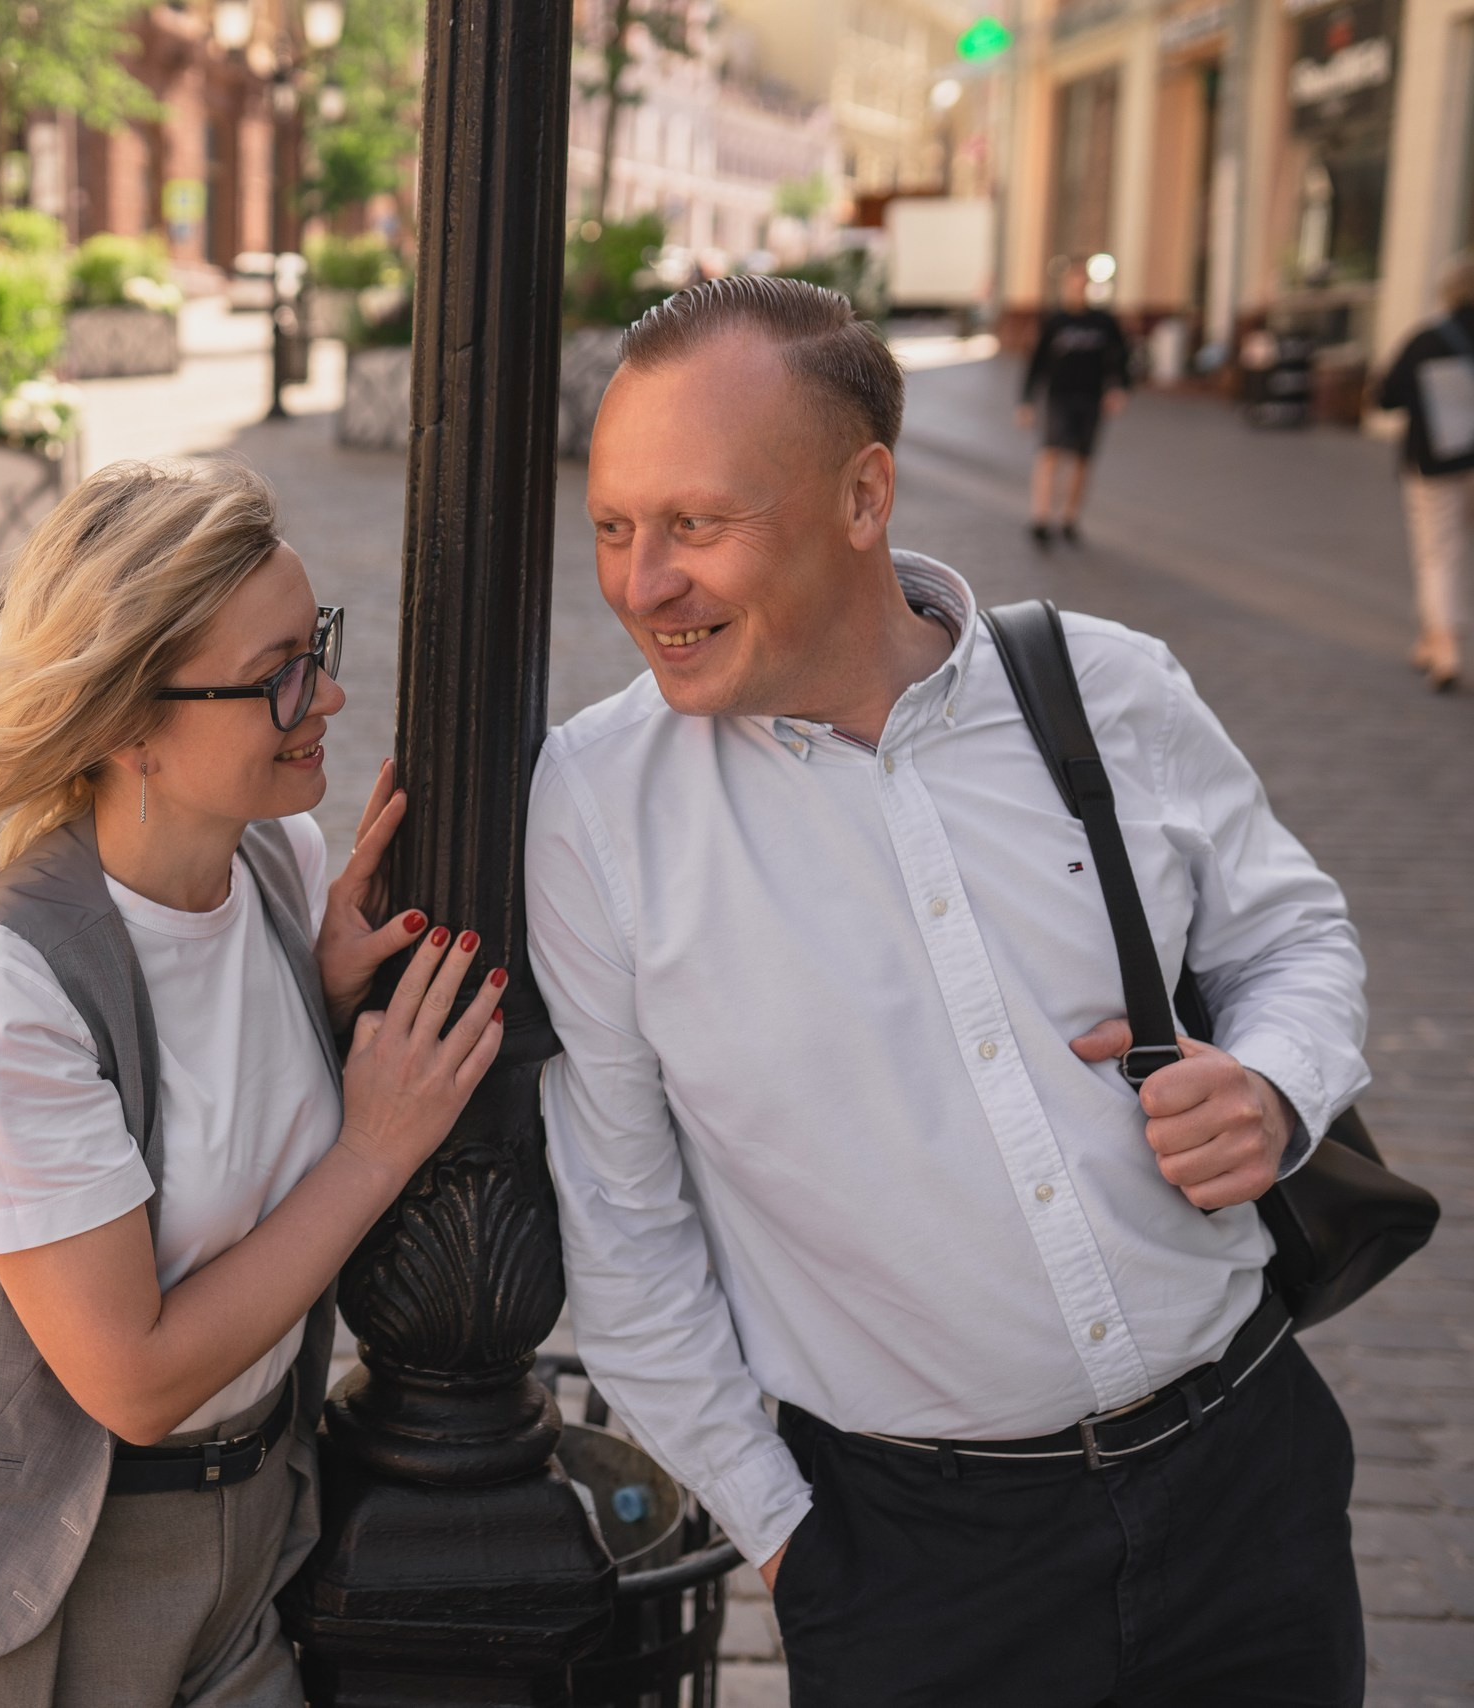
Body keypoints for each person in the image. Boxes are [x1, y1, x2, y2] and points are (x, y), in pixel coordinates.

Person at [531, 276, 1369, 1707]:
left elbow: (1296, 939)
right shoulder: (598, 808)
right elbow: (622, 1232)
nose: (642, 583)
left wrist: (1277, 1084)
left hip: (1249, 1485)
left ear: (864, 497)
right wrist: (795, 1543)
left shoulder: (1111, 687)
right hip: (919, 1574)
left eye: (696, 525)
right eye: (615, 526)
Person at [0, 457, 506, 1707]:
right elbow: (132, 1379)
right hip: (29, 1589)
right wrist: (372, 1151)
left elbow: (214, 1110)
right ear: (129, 721)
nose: (330, 696)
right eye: (278, 678)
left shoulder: (281, 868)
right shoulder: (6, 983)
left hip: (251, 1540)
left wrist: (324, 999)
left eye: (319, 648)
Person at [1371, 250, 1474, 692]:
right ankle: (1430, 639)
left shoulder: (1428, 340)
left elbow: (1386, 397)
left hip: (1436, 462)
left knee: (1438, 552)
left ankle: (1444, 645)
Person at [1018, 262, 1132, 548]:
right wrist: (1026, 400)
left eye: (1083, 282)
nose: (1078, 287)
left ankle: (1069, 519)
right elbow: (1036, 363)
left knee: (1082, 458)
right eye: (1074, 282)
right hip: (1059, 397)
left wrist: (1119, 388)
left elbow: (1121, 358)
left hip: (1091, 398)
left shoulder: (1103, 322)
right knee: (1050, 453)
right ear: (1067, 284)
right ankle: (1041, 518)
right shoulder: (1054, 321)